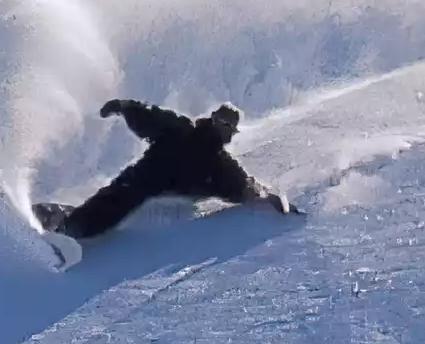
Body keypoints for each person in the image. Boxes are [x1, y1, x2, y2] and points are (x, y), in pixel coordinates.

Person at [38, 99, 295, 240]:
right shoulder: (181, 130)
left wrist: (269, 198)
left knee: (117, 211)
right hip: (141, 182)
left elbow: (243, 185)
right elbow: (152, 117)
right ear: (213, 119)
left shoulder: (220, 165)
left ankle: (72, 224)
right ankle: (67, 227)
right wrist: (125, 107)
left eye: (228, 126)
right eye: (221, 122)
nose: (223, 128)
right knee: (112, 203)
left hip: (163, 203)